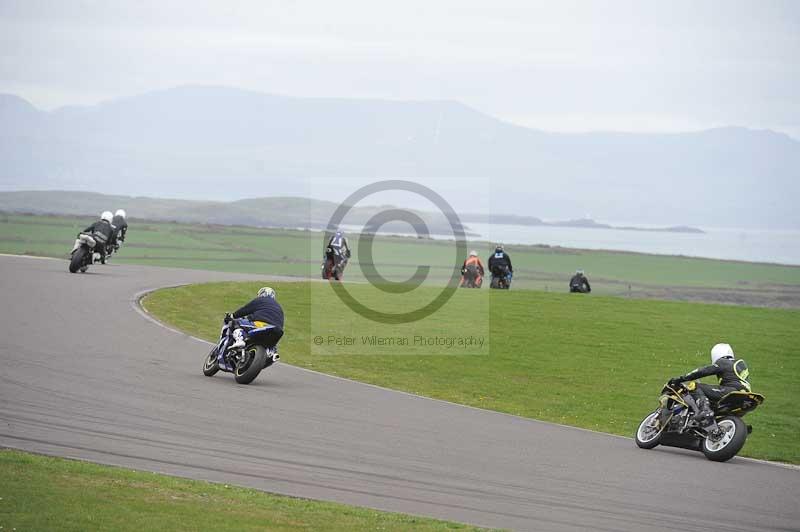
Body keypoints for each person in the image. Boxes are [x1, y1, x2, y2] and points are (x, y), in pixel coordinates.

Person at [667, 343, 752, 428]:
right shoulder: (739, 365)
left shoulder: (723, 362)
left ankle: (705, 411)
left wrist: (680, 379)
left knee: (695, 386)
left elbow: (703, 371)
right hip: (746, 396)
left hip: (731, 391)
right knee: (713, 404)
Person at [225, 287, 285, 358]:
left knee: (235, 322)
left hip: (261, 324)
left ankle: (240, 340)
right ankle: (271, 352)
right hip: (277, 331)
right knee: (271, 344)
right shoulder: (279, 308)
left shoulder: (261, 300)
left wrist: (233, 315)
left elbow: (245, 310)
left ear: (262, 293)